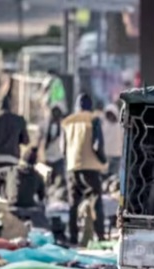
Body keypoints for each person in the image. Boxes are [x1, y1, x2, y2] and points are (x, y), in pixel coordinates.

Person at [62, 93, 107, 244]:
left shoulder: (68, 122)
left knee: (73, 204)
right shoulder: (94, 119)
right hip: (91, 167)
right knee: (96, 201)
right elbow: (97, 144)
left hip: (72, 166)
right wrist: (103, 160)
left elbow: (63, 147)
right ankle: (100, 236)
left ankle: (73, 237)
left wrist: (69, 161)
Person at [6, 145, 46, 211]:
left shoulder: (12, 171)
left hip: (12, 205)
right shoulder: (37, 176)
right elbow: (42, 196)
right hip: (28, 206)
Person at [42, 105, 67, 201]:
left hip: (49, 158)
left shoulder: (46, 125)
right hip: (57, 158)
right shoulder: (62, 127)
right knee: (57, 183)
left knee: (48, 183)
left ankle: (48, 199)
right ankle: (54, 199)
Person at [101, 104, 123, 180]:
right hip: (107, 156)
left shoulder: (119, 126)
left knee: (112, 178)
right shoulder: (104, 125)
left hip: (114, 156)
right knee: (108, 178)